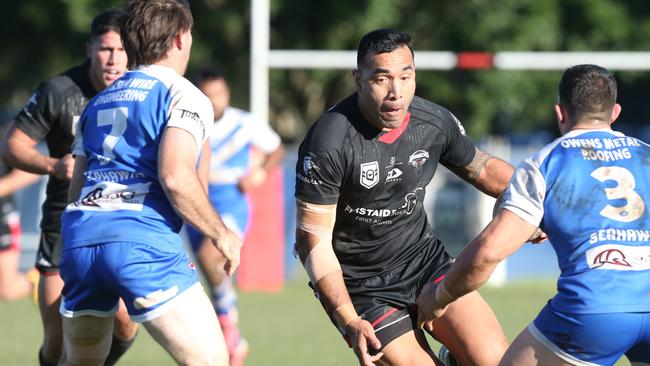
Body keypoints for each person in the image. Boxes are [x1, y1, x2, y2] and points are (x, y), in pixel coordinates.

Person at [294, 28, 513, 366]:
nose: (396, 92)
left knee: (497, 361)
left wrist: (535, 200)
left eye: (405, 76)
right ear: (358, 79)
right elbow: (313, 242)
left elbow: (484, 170)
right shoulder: (329, 142)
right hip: (363, 287)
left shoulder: (433, 123)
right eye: (382, 79)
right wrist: (349, 320)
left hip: (425, 263)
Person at [417, 64, 650, 365]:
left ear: (560, 113)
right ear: (615, 112)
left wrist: (439, 297)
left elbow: (487, 252)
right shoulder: (645, 155)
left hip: (593, 311)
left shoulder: (547, 163)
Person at [58, 0, 242, 364]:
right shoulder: (183, 93)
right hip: (140, 245)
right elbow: (175, 176)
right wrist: (221, 233)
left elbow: (76, 191)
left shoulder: (98, 102)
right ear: (178, 40)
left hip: (81, 243)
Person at [0, 9, 138, 366]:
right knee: (57, 342)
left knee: (125, 327)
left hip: (119, 223)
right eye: (106, 49)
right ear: (90, 48)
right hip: (64, 226)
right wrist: (54, 165)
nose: (113, 59)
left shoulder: (141, 92)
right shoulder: (59, 91)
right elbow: (12, 146)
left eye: (121, 50)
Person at [186, 67, 285, 366]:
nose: (216, 100)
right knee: (211, 273)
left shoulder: (245, 123)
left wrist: (258, 173)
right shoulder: (190, 123)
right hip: (196, 204)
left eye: (220, 93)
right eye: (209, 95)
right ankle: (231, 335)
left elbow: (276, 148)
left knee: (209, 256)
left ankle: (228, 332)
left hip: (231, 204)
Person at [0, 120, 40, 301]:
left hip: (2, 216)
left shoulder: (5, 132)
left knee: (7, 290)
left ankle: (37, 280)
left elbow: (31, 171)